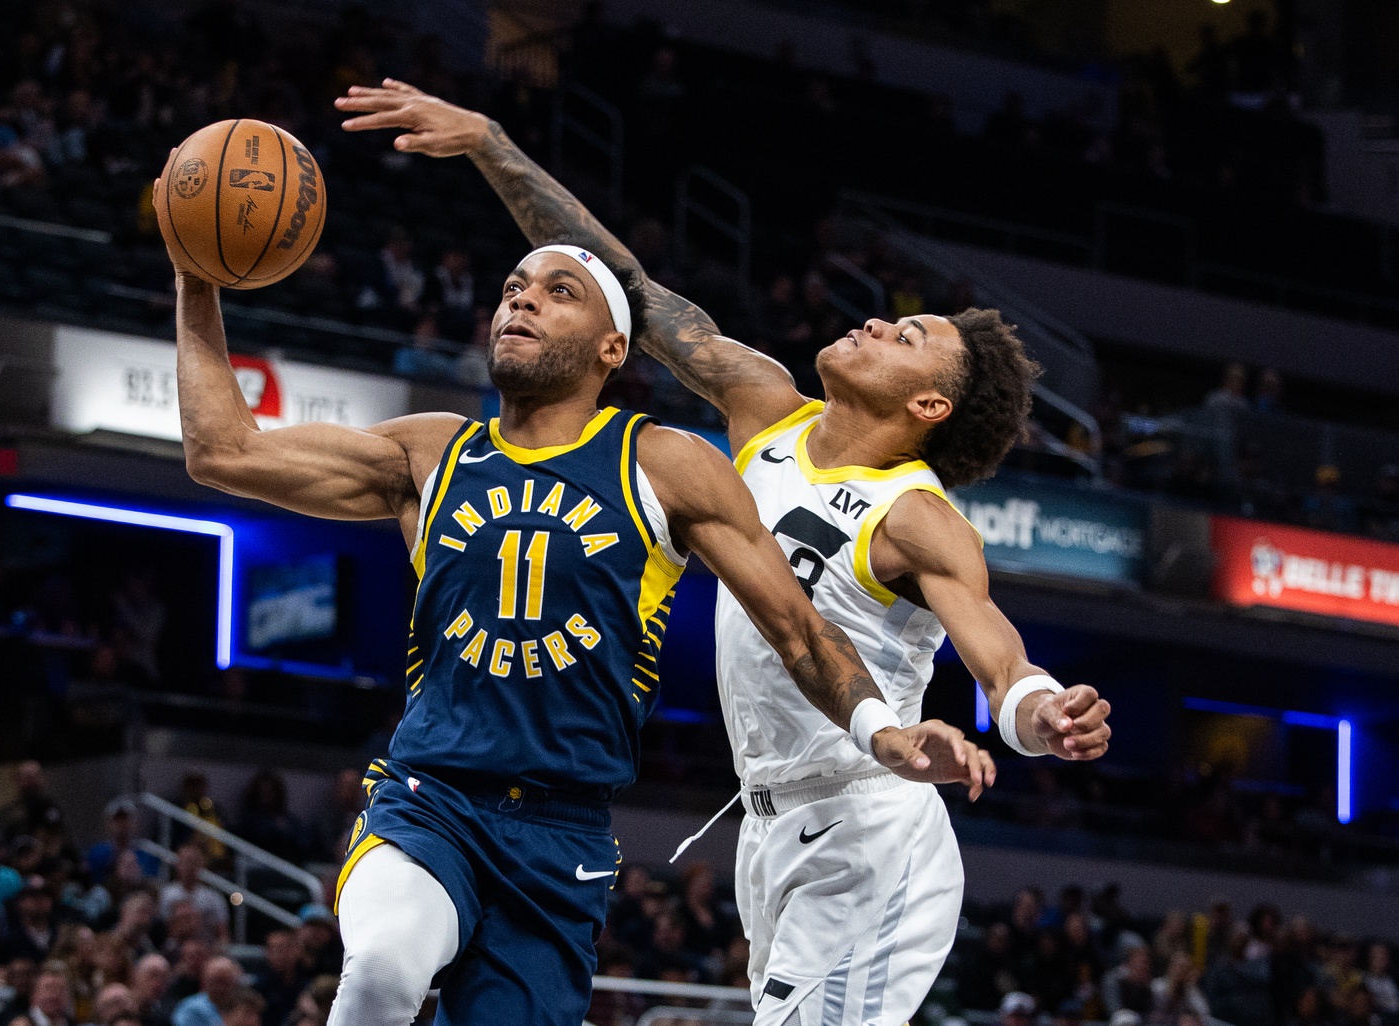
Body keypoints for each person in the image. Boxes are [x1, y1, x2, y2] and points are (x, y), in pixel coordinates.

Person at [162, 94, 984, 1026]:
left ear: (610, 347)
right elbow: (222, 452)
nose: (522, 297)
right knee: (385, 970)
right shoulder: (429, 453)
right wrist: (197, 274)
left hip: (561, 837)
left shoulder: (666, 465)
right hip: (429, 801)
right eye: (515, 285)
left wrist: (882, 732)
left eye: (558, 290)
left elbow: (798, 628)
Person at [344, 81, 1114, 1026]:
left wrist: (1043, 714)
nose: (876, 321)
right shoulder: (764, 409)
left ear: (927, 409)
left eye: (905, 336)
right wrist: (491, 146)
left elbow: (997, 658)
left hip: (870, 821)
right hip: (769, 825)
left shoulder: (917, 517)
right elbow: (621, 287)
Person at [157, 846, 226, 943]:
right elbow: (162, 929)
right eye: (185, 862)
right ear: (178, 865)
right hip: (173, 948)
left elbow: (223, 933)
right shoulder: (166, 894)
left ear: (201, 865)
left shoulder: (214, 898)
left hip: (205, 947)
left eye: (193, 862)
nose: (188, 867)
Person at [170, 958, 238, 1026]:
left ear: (235, 983)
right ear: (204, 982)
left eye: (226, 982)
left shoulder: (240, 1008)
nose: (221, 987)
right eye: (216, 981)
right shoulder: (191, 1008)